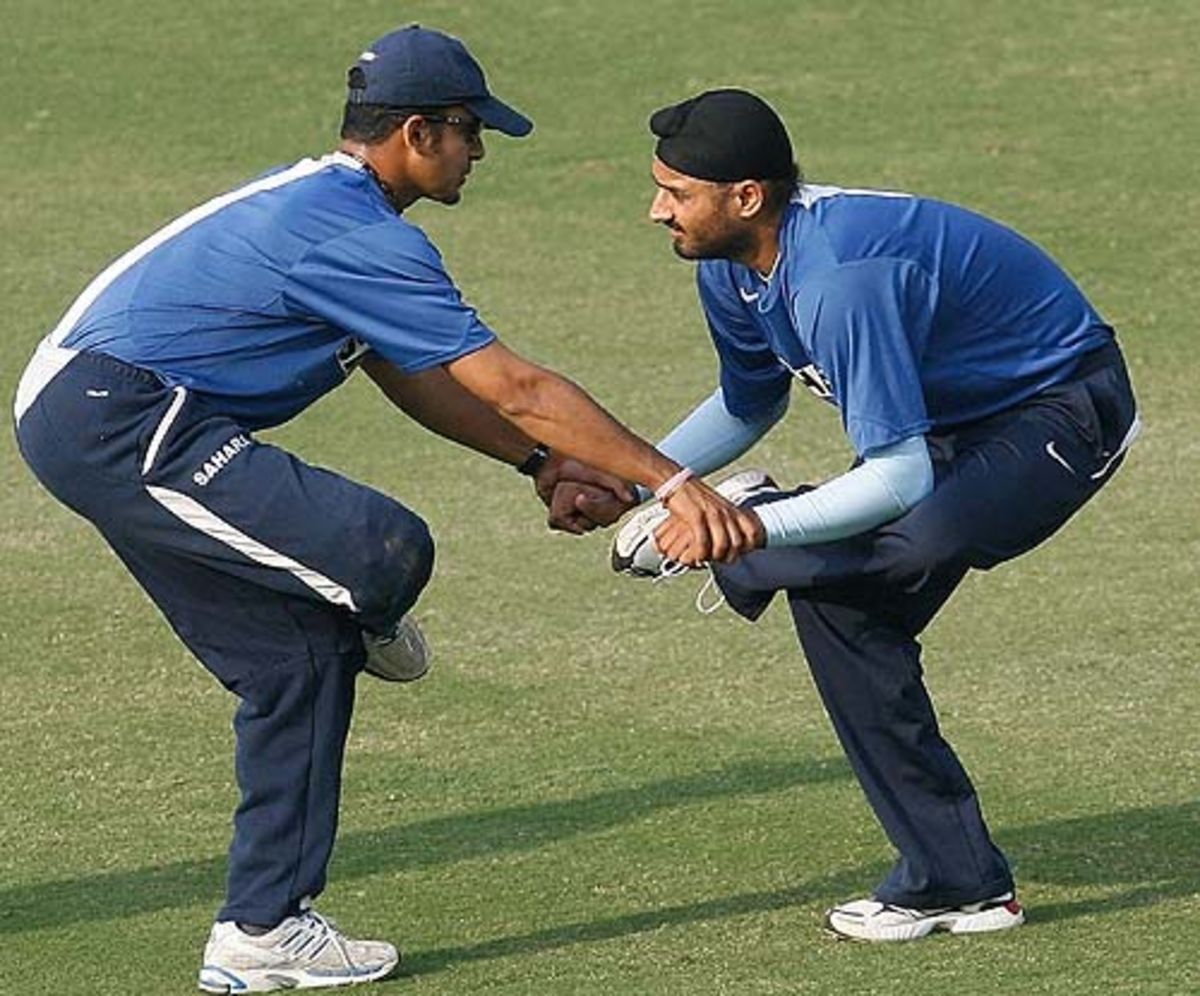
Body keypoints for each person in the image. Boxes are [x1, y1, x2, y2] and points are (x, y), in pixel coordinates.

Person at [13, 29, 761, 992]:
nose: (479, 152)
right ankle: (359, 598)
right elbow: (517, 382)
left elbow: (413, 375)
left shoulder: (336, 211)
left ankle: (263, 930)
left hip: (120, 415)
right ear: (419, 131)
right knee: (385, 548)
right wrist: (674, 482)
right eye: (470, 132)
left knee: (298, 662)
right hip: (120, 419)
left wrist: (539, 463)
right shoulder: (353, 231)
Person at [562, 88, 1140, 942]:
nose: (657, 211)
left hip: (1059, 405)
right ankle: (959, 882)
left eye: (676, 193)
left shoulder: (841, 278)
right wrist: (642, 481)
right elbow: (747, 404)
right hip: (947, 425)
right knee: (841, 604)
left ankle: (759, 515)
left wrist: (746, 527)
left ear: (746, 197)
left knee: (917, 539)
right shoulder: (731, 266)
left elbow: (901, 480)